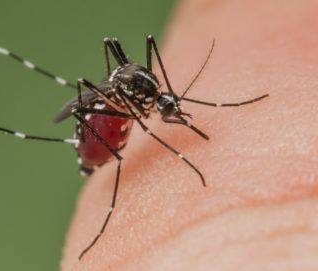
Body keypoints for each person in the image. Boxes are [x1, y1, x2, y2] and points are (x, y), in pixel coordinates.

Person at [61, 0, 318, 270]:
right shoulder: (145, 92)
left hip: (129, 91)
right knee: (91, 79)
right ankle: (116, 151)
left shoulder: (153, 87)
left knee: (135, 48)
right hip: (110, 109)